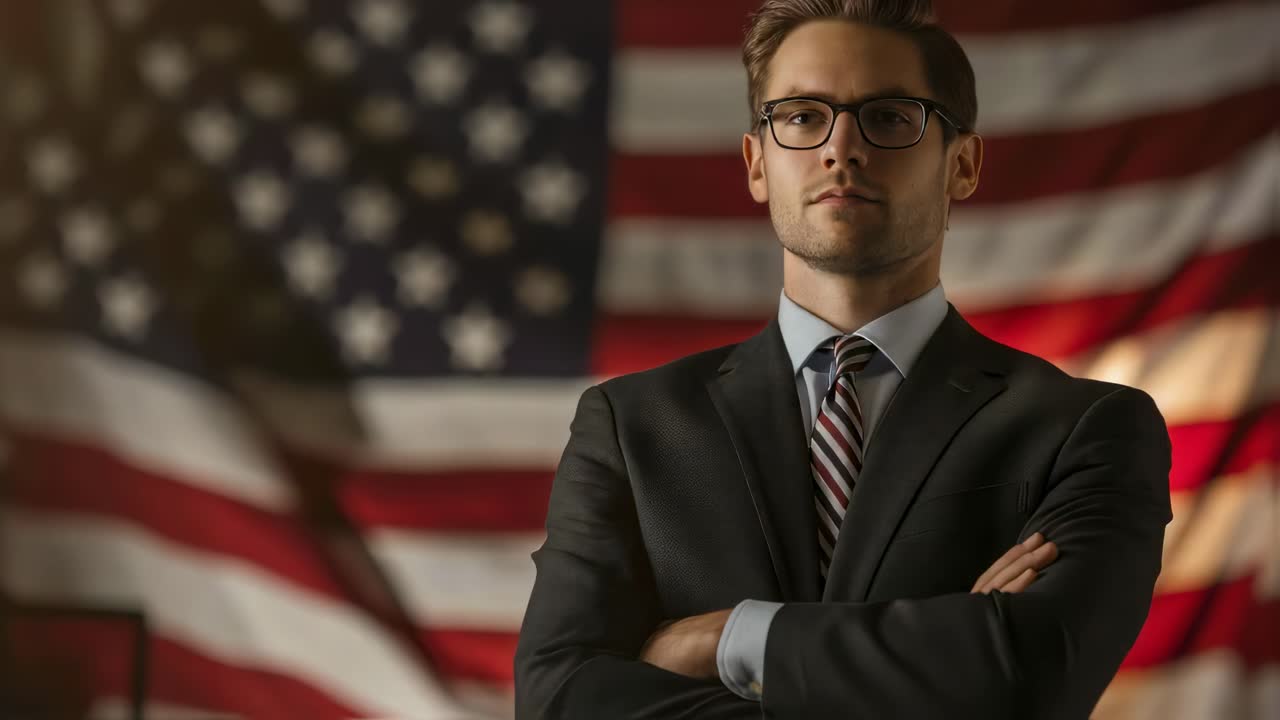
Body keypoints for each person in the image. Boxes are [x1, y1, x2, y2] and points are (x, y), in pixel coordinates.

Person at [513, 1, 1173, 718]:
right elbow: (557, 699)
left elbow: (1030, 674)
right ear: (755, 163)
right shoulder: (630, 427)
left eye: (889, 117)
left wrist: (726, 640)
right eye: (801, 116)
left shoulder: (1089, 429)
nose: (841, 149)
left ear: (964, 165)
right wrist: (946, 654)